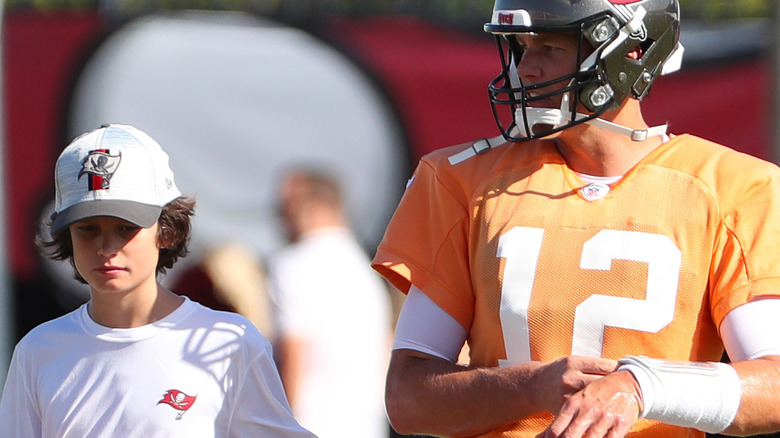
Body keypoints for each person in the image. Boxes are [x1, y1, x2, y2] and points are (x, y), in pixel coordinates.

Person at [371, 1, 780, 437]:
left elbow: (773, 386)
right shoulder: (461, 181)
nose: (525, 69)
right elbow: (408, 398)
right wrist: (530, 387)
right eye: (523, 47)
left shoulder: (735, 187)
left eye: (550, 46)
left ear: (632, 53)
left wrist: (643, 386)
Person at [0, 124, 316, 438]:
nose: (106, 248)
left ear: (166, 230)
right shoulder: (37, 352)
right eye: (88, 228)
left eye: (126, 227)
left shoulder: (230, 343)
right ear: (66, 234)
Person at [267, 167, 393, 438]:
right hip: (366, 428)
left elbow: (295, 354)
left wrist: (282, 428)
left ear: (308, 207)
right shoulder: (367, 271)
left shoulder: (292, 266)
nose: (278, 218)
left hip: (310, 426)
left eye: (283, 207)